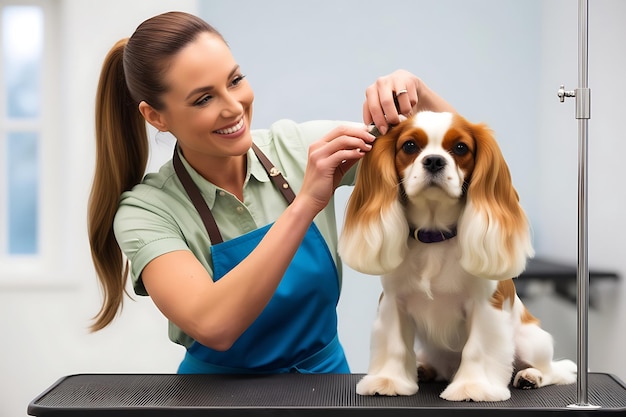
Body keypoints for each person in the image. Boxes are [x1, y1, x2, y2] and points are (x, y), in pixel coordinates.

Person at [88, 11, 455, 374]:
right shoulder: (146, 211)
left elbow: (472, 177)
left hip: (326, 389)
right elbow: (213, 324)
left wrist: (419, 94)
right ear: (156, 117)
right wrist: (306, 204)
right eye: (203, 99)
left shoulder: (301, 147)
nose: (233, 108)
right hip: (213, 402)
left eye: (234, 81)